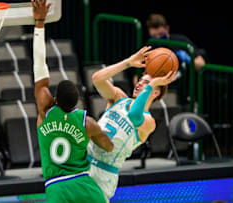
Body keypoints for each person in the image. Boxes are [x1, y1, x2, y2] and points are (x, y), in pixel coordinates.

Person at [31, 0, 113, 202]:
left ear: (55, 99)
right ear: (77, 103)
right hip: (85, 186)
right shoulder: (87, 123)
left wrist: (39, 22)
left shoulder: (45, 111)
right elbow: (109, 147)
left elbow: (39, 66)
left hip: (57, 188)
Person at [88, 46, 177, 201]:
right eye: (141, 80)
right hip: (83, 161)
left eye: (146, 83)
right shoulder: (119, 98)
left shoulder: (149, 122)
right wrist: (128, 62)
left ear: (155, 92)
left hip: (104, 173)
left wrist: (152, 83)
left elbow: (134, 115)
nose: (139, 83)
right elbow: (97, 78)